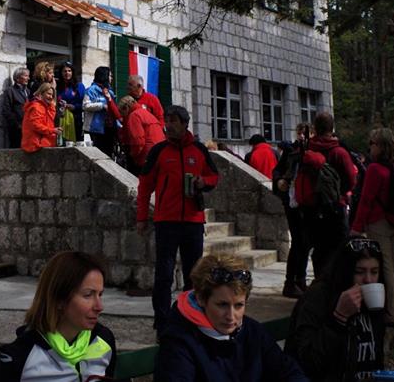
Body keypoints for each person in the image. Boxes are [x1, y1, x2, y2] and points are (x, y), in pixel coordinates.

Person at [155, 254, 308, 382]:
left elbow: (289, 372)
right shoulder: (179, 342)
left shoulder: (253, 332)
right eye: (222, 305)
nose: (231, 316)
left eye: (239, 305)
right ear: (201, 298)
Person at [137, 105, 220, 338]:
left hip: (193, 221)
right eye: (167, 120)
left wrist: (203, 182)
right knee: (164, 275)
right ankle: (162, 322)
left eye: (173, 120)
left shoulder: (199, 150)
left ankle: (191, 318)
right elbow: (144, 186)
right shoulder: (159, 151)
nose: (169, 125)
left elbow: (214, 176)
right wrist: (142, 217)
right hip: (166, 221)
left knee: (194, 275)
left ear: (185, 124)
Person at [0, 251, 116, 381]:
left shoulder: (103, 339)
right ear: (59, 299)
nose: (99, 307)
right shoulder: (21, 355)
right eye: (88, 295)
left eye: (100, 294)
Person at [286, 238, 387, 382]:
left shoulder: (371, 301)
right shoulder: (318, 298)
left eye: (374, 272)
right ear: (345, 271)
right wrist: (339, 318)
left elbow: (376, 357)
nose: (368, 280)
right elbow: (308, 363)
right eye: (359, 272)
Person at [350, 127, 394, 325]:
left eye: (372, 143)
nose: (370, 147)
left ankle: (393, 312)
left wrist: (356, 227)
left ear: (381, 146)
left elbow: (366, 200)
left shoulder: (375, 169)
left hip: (378, 223)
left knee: (386, 266)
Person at [306, 113, 359, 278]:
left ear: (315, 128)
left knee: (319, 250)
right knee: (338, 248)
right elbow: (351, 179)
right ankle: (335, 283)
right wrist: (340, 192)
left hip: (312, 207)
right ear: (332, 128)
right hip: (336, 206)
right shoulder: (339, 152)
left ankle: (320, 282)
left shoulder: (307, 149)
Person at [272, 124, 310, 299]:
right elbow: (277, 171)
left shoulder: (312, 151)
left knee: (305, 242)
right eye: (299, 133)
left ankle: (300, 279)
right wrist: (279, 181)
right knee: (298, 241)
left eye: (305, 133)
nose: (301, 136)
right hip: (292, 202)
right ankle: (291, 281)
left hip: (307, 203)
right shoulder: (291, 150)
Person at [117, 95, 165, 174]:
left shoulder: (134, 116)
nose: (122, 115)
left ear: (126, 108)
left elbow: (138, 142)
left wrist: (132, 155)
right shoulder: (146, 113)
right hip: (159, 154)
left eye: (122, 112)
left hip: (146, 158)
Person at [83, 66, 122, 157]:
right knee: (99, 153)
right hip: (96, 128)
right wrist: (102, 106)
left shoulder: (110, 91)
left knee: (109, 153)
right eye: (110, 76)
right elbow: (85, 105)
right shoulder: (91, 90)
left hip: (110, 128)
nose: (111, 78)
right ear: (104, 76)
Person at [21, 83, 59, 153]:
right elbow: (36, 126)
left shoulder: (47, 107)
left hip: (44, 144)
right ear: (41, 93)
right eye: (49, 94)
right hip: (36, 145)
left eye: (52, 95)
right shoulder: (36, 106)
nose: (51, 97)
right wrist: (53, 130)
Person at [56, 62, 86, 142]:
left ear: (72, 72)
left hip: (76, 119)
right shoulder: (57, 86)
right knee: (62, 143)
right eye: (64, 71)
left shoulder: (79, 86)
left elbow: (84, 104)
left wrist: (74, 107)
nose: (67, 73)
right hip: (61, 120)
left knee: (77, 143)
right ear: (61, 73)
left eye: (69, 71)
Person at [3, 67, 30, 148]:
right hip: (17, 129)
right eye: (26, 76)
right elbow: (6, 111)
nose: (28, 78)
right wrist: (17, 125)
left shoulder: (28, 91)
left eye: (28, 76)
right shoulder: (10, 91)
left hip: (28, 128)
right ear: (18, 78)